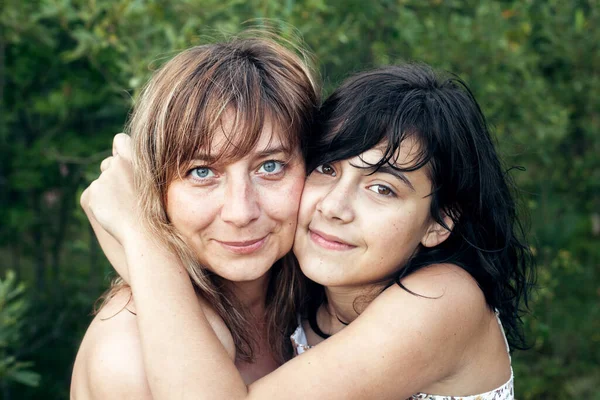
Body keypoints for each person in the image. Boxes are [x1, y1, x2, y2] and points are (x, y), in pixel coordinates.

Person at [85, 63, 535, 399]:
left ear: (438, 223)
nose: (336, 207)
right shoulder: (304, 295)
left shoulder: (442, 301)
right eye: (326, 168)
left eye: (381, 188)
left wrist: (138, 232)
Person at [70, 33, 319, 399]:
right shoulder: (127, 352)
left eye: (270, 166)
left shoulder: (318, 304)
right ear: (157, 189)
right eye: (202, 172)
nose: (240, 212)